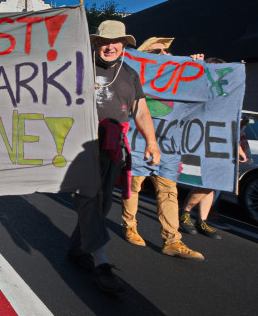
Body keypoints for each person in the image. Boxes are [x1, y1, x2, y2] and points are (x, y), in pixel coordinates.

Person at [68, 20, 161, 294]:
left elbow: (140, 111)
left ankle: (77, 248)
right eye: (104, 42)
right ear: (96, 43)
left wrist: (151, 142)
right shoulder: (79, 67)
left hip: (113, 147)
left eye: (116, 41)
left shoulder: (131, 74)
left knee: (103, 202)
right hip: (82, 146)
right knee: (89, 199)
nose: (110, 46)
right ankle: (102, 263)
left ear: (124, 44)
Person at [120, 37, 204, 260]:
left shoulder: (178, 78)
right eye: (157, 53)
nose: (165, 55)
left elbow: (201, 92)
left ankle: (172, 240)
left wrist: (197, 66)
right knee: (134, 186)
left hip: (168, 144)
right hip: (138, 140)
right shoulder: (132, 76)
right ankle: (130, 225)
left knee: (169, 191)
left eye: (166, 51)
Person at [179, 57, 249, 239]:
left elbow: (229, 124)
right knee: (207, 182)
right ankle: (185, 213)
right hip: (202, 142)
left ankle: (202, 220)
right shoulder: (201, 93)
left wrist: (239, 149)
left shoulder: (226, 97)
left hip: (220, 143)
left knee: (213, 184)